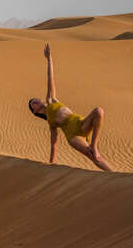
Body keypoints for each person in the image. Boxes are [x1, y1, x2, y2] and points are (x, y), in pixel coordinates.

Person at [28, 43, 113, 171]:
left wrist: (49, 58)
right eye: (33, 103)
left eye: (36, 100)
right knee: (92, 156)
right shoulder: (50, 122)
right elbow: (53, 144)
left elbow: (50, 79)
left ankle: (94, 145)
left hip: (81, 123)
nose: (37, 101)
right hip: (73, 136)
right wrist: (50, 164)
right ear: (35, 111)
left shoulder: (52, 100)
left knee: (99, 111)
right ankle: (114, 173)